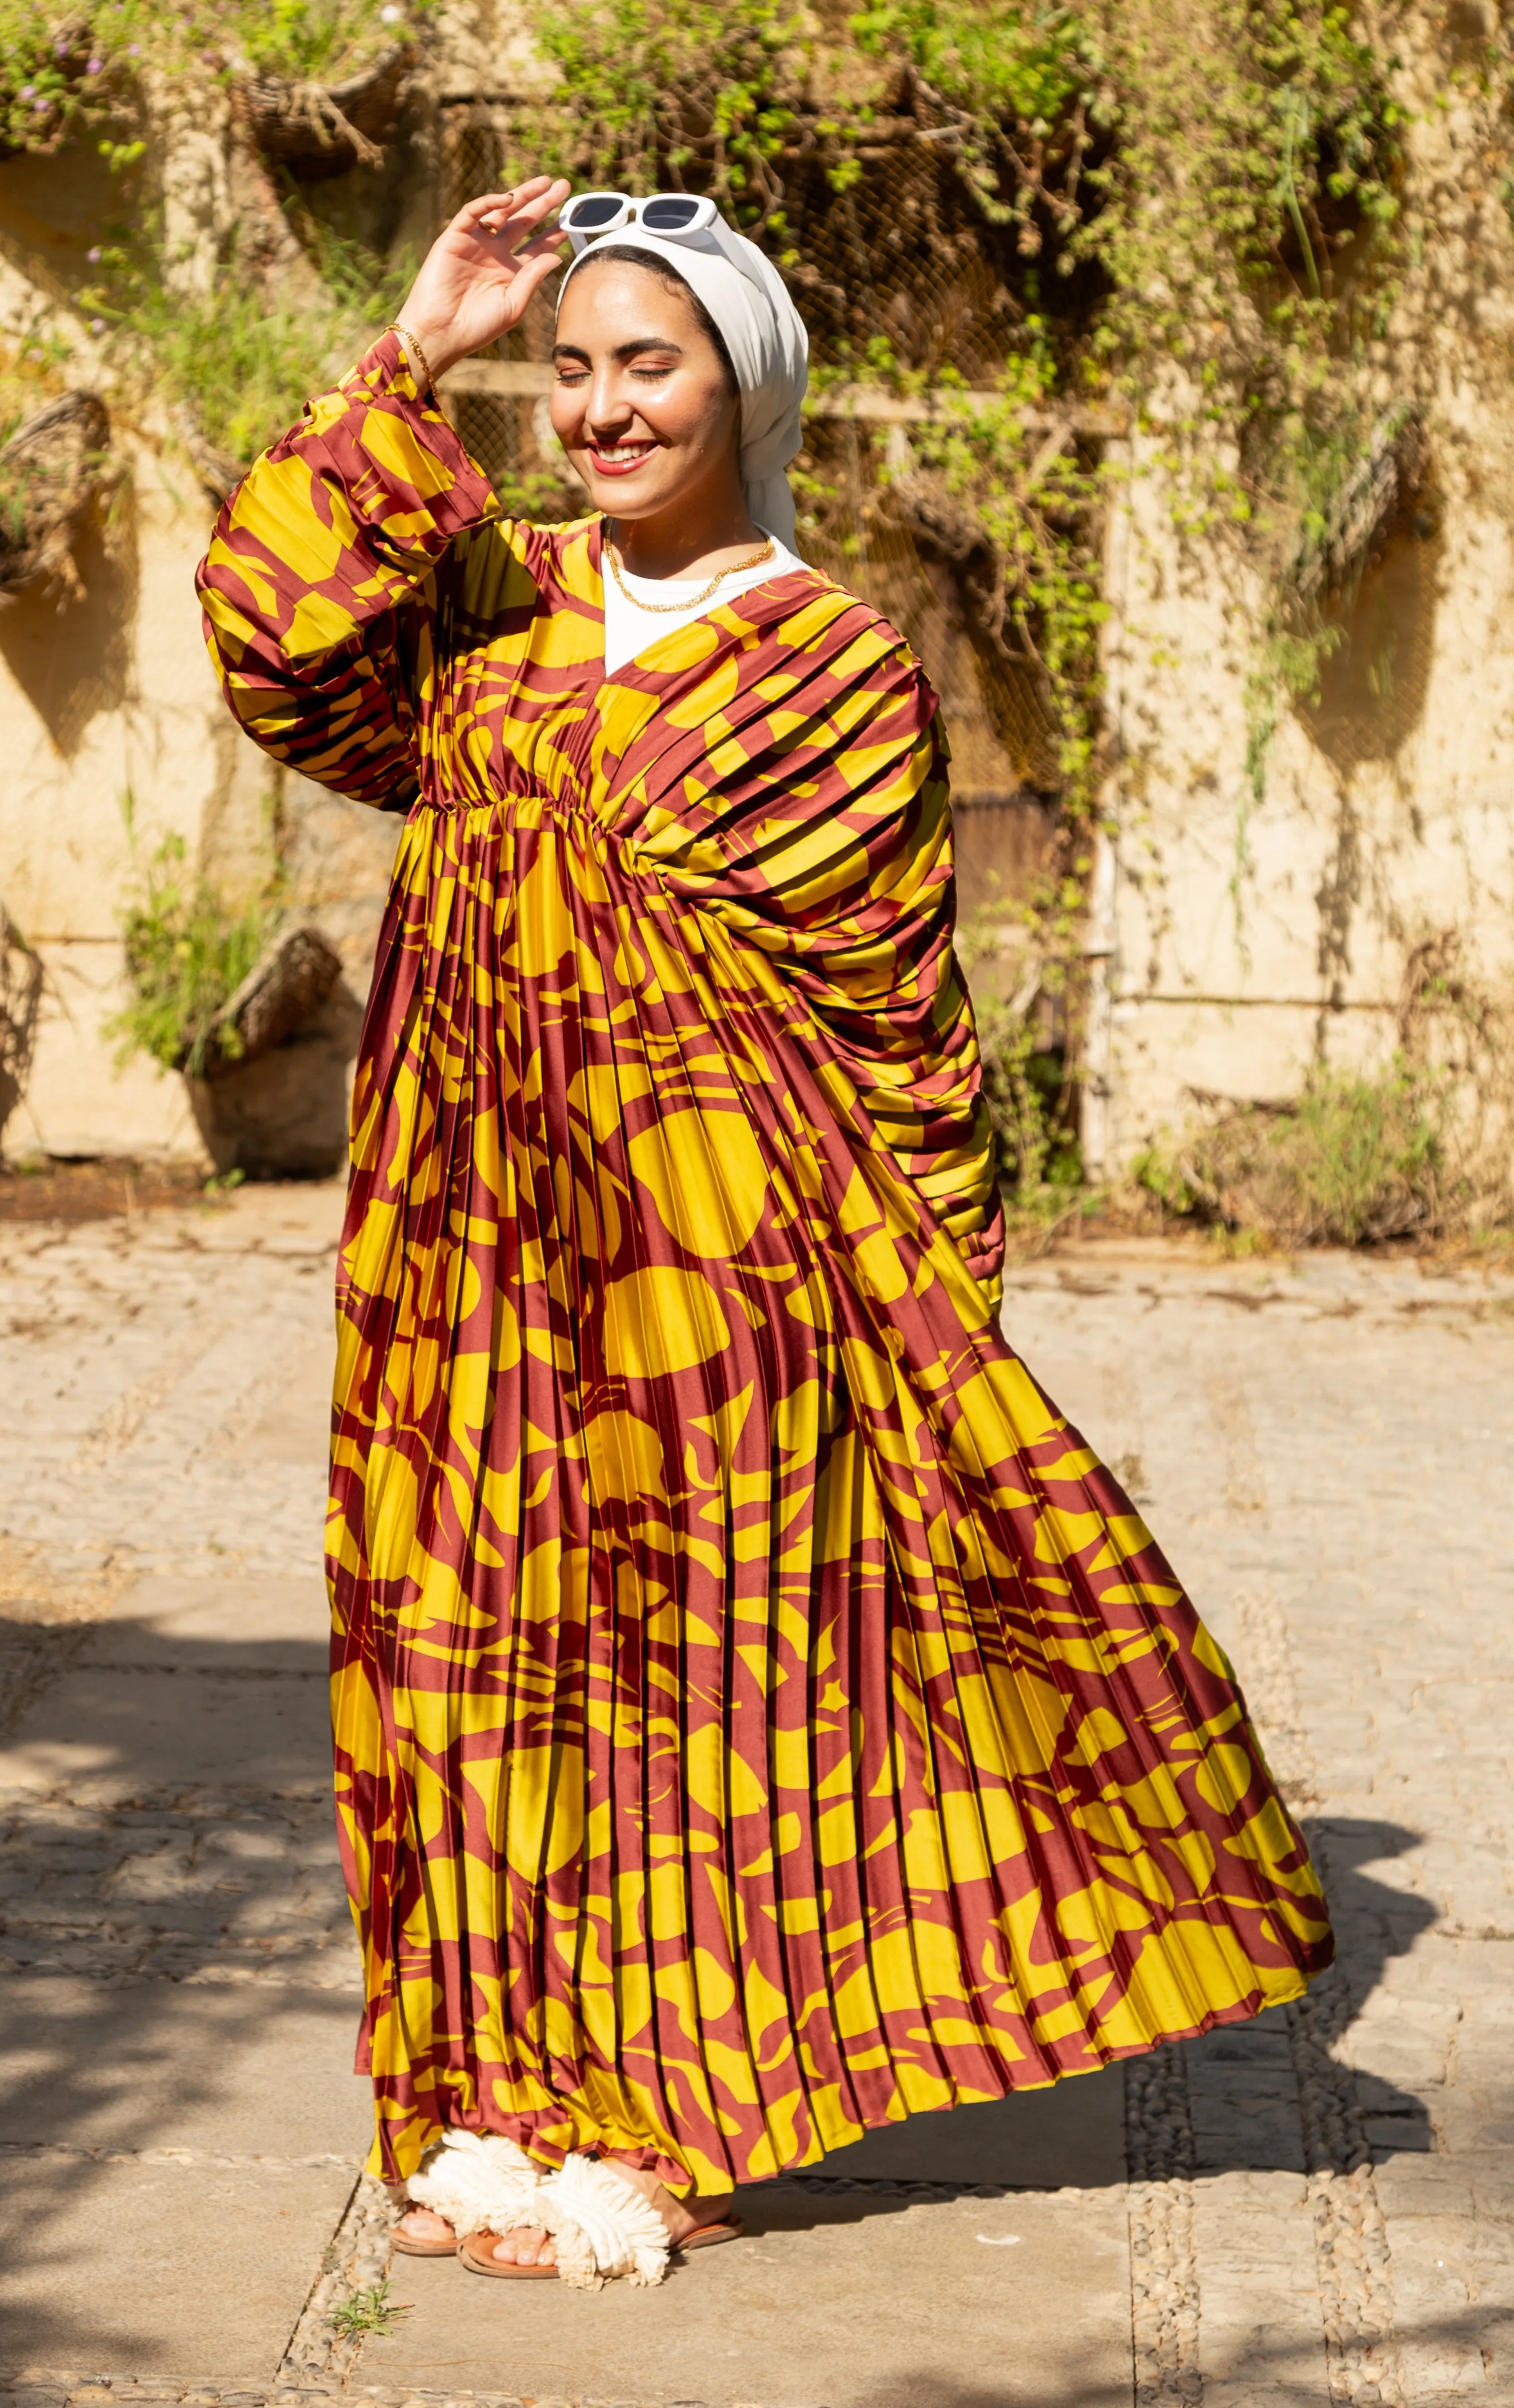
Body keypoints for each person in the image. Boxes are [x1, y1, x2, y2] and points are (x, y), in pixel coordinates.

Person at [196, 176, 1331, 2289]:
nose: (604, 409)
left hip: (729, 1271)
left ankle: (669, 2117)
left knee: (702, 1687)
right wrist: (420, 344)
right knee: (468, 1651)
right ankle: (507, 2083)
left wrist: (930, 1311)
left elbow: (899, 1008)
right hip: (470, 1250)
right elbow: (270, 628)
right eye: (576, 367)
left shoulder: (832, 666)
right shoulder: (480, 600)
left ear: (745, 385)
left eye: (652, 366)